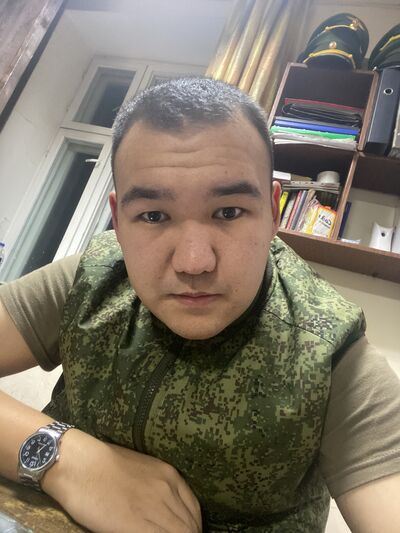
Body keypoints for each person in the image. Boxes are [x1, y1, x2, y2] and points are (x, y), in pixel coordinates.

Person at [0, 78, 400, 533]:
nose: (194, 263)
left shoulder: (332, 353)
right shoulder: (92, 277)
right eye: (153, 215)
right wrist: (68, 459)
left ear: (273, 212)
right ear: (119, 221)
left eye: (228, 212)